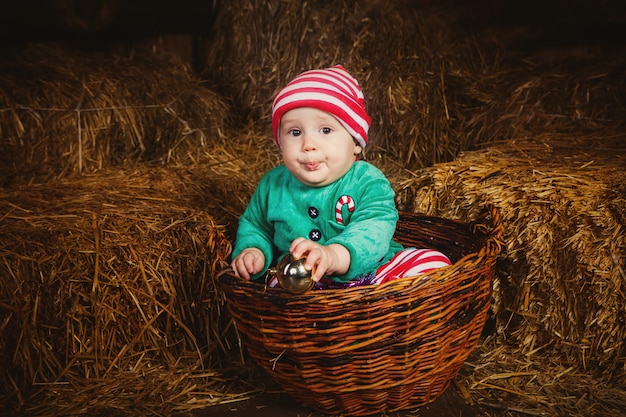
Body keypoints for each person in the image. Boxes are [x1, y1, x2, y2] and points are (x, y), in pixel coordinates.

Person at [230, 65, 451, 289]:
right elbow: (255, 225)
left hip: (373, 273)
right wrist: (253, 251)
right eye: (295, 132)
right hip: (303, 283)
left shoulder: (367, 180)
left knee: (434, 264)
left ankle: (383, 307)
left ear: (355, 142)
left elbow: (374, 227)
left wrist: (334, 255)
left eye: (325, 130)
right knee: (276, 289)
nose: (308, 145)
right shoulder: (273, 184)